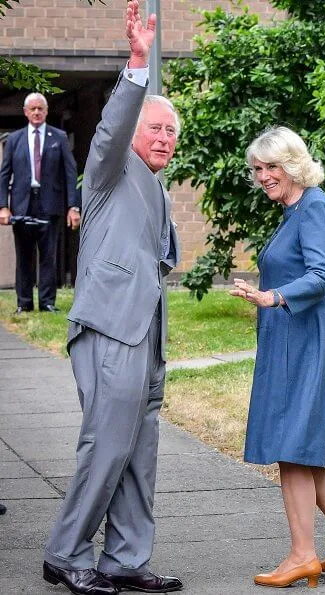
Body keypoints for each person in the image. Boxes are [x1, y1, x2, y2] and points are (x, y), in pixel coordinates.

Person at [42, 2, 182, 594]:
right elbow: (112, 127)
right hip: (109, 328)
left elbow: (162, 255)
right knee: (108, 443)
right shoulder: (108, 168)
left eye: (173, 131)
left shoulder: (157, 189)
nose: (165, 139)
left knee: (138, 451)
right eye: (156, 128)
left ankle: (124, 560)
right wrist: (136, 64)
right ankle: (65, 553)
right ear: (133, 135)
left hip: (147, 333)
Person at [230, 126, 325, 589]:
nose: (264, 176)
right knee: (302, 449)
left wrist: (272, 297)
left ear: (293, 165)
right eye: (258, 169)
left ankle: (302, 555)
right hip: (296, 337)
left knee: (292, 448)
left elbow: (321, 276)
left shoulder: (313, 207)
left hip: (307, 337)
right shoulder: (296, 210)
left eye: (271, 167)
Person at [0, 92, 80, 313]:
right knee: (24, 256)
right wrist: (3, 206)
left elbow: (70, 174)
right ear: (26, 112)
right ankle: (23, 303)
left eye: (40, 108)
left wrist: (73, 206)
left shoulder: (59, 137)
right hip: (22, 204)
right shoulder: (14, 139)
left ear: (46, 111)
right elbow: (4, 175)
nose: (36, 112)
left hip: (50, 203)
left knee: (48, 256)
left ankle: (47, 302)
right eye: (32, 109)